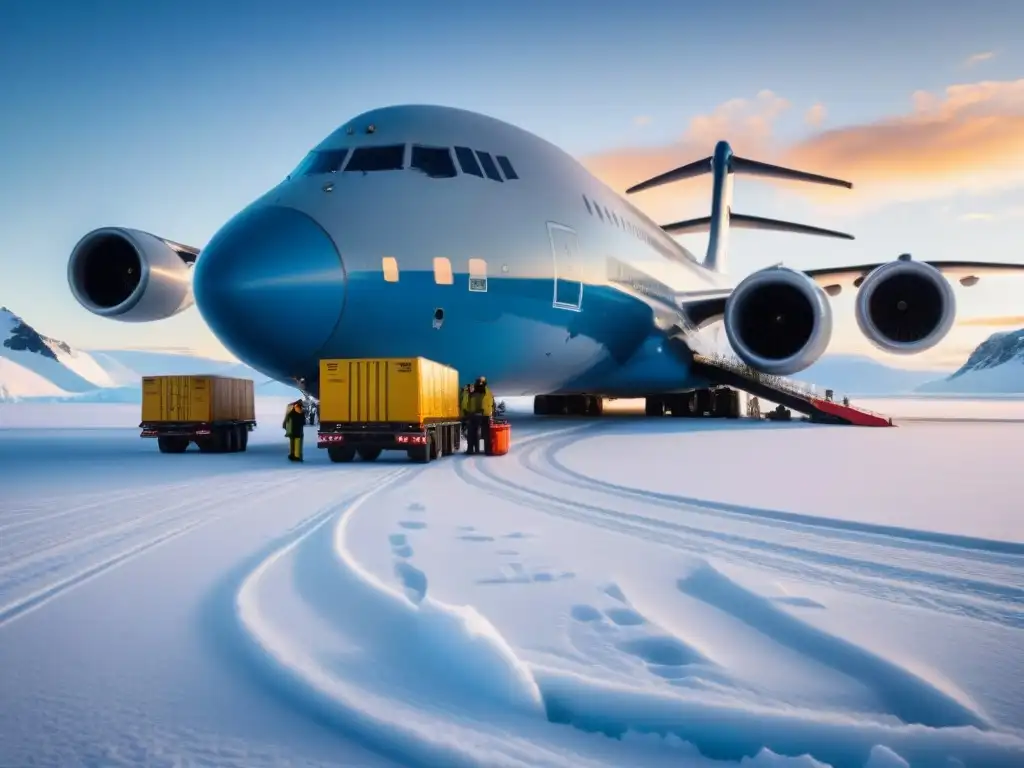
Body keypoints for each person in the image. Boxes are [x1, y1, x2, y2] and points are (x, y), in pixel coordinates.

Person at [464, 376, 494, 455]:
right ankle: (487, 450)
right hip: (484, 414)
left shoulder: (473, 391)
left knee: (472, 433)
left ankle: (471, 449)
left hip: (475, 414)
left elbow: (467, 402)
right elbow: (491, 403)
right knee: (486, 433)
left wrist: (467, 412)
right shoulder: (488, 391)